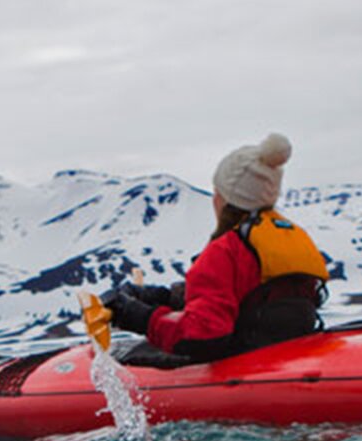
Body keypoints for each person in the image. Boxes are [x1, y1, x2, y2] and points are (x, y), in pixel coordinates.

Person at [104, 133, 329, 362]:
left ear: (225, 198)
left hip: (239, 360)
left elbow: (203, 335)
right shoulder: (290, 236)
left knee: (129, 356)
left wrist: (137, 317)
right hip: (285, 353)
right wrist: (168, 297)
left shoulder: (226, 250)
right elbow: (250, 295)